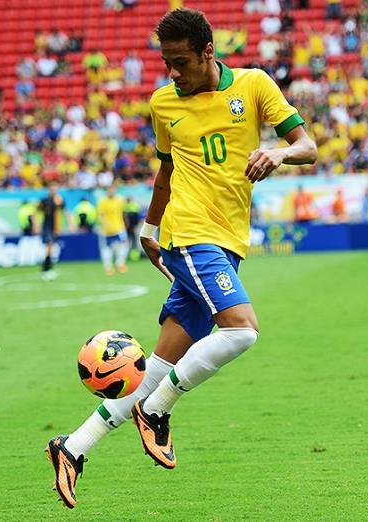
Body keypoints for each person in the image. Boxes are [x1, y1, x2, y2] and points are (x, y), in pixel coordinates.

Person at [45, 8, 317, 509]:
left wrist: (278, 153)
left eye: (182, 62)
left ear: (208, 52)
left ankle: (73, 447)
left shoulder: (254, 86)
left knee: (157, 365)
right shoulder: (162, 103)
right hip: (191, 235)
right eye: (167, 62)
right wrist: (150, 228)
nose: (173, 72)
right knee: (242, 330)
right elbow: (167, 173)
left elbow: (307, 145)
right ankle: (159, 409)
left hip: (229, 241)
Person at [96, 185, 129, 275]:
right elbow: (101, 215)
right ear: (107, 190)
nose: (111, 191)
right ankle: (108, 267)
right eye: (109, 189)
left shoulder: (120, 200)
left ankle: (120, 264)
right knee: (107, 249)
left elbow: (123, 213)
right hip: (107, 231)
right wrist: (105, 225)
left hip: (120, 228)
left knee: (123, 246)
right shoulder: (102, 202)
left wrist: (126, 224)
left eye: (113, 189)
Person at [36, 183, 64, 281]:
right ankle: (46, 270)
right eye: (52, 189)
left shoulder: (59, 200)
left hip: (55, 227)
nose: (53, 191)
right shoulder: (44, 200)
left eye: (55, 189)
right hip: (47, 227)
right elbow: (37, 211)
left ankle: (47, 269)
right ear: (49, 190)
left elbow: (65, 211)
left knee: (51, 249)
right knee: (49, 247)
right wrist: (36, 225)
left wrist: (70, 224)